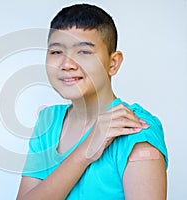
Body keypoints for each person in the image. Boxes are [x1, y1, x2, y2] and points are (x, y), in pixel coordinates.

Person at [16, 3, 168, 200]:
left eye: (84, 52)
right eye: (56, 52)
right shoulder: (48, 121)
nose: (67, 64)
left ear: (112, 63)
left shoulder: (136, 131)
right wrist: (84, 152)